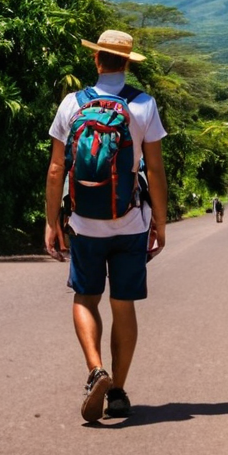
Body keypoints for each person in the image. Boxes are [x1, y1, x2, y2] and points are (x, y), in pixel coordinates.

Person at [45, 29, 168, 422]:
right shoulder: (143, 105)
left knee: (85, 298)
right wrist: (160, 223)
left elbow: (55, 169)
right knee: (123, 304)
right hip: (129, 223)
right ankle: (117, 392)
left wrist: (53, 222)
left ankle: (95, 368)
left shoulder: (72, 103)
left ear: (97, 60)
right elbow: (156, 170)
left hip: (83, 223)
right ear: (128, 64)